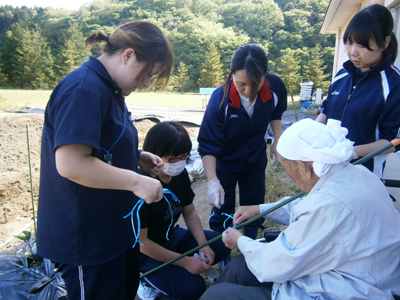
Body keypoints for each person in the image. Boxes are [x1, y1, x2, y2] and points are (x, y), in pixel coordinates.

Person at [36, 21, 174, 300]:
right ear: (128, 55)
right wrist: (137, 181)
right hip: (86, 238)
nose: (145, 83)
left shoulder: (111, 90)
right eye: (148, 74)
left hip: (114, 229)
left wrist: (137, 157)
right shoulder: (84, 89)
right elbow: (71, 163)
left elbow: (101, 145)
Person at [199, 118, 400, 300]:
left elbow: (276, 263)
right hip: (352, 270)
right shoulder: (356, 174)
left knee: (218, 295)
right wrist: (260, 209)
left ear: (305, 167)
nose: (290, 178)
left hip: (350, 289)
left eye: (288, 170)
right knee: (240, 267)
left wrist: (240, 241)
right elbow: (309, 205)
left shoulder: (327, 206)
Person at [197, 43, 287, 240]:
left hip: (255, 157)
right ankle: (223, 244)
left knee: (254, 202)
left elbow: (276, 111)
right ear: (232, 76)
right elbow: (207, 144)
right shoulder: (220, 99)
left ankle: (250, 239)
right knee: (223, 204)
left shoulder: (275, 86)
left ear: (265, 75)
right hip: (225, 160)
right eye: (241, 84)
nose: (247, 91)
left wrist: (278, 139)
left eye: (254, 84)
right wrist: (213, 181)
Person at [137, 121, 231, 300]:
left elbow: (189, 212)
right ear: (154, 153)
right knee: (194, 288)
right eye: (173, 159)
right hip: (145, 255)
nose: (179, 163)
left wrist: (204, 246)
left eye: (184, 157)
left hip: (172, 236)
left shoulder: (179, 175)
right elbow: (142, 243)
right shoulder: (141, 185)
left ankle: (176, 267)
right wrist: (185, 261)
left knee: (223, 243)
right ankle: (144, 282)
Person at [316, 4, 400, 177]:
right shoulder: (342, 76)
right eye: (349, 42)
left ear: (385, 42)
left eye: (362, 45)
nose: (353, 52)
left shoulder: (394, 85)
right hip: (326, 171)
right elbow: (325, 112)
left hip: (363, 177)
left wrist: (351, 152)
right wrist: (310, 135)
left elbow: (393, 141)